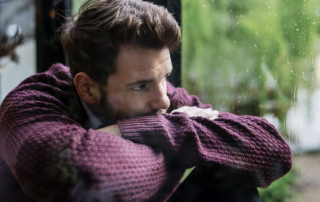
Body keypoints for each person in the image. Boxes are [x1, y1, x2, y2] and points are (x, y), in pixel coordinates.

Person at [0, 0, 292, 201]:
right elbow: (83, 178)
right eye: (140, 86)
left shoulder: (162, 98)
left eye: (165, 77)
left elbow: (273, 153)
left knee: (233, 188)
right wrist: (179, 135)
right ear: (88, 88)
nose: (163, 101)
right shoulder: (30, 104)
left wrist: (166, 130)